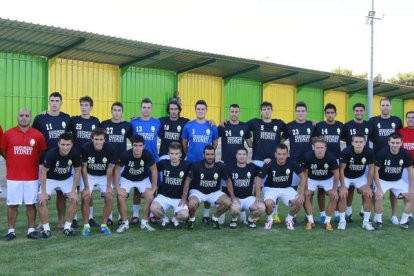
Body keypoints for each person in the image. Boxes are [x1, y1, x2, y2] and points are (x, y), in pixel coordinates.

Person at [0, 108, 47, 241]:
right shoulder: (8, 134)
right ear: (17, 117)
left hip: (31, 177)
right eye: (21, 115)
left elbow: (42, 152)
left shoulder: (37, 135)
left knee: (30, 204)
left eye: (27, 115)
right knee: (12, 204)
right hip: (13, 177)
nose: (24, 118)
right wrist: (11, 160)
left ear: (30, 118)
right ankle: (11, 231)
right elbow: (2, 150)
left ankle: (31, 230)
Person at [32, 92, 71, 229]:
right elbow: (34, 137)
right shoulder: (40, 118)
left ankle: (61, 221)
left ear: (61, 103)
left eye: (57, 101)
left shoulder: (67, 118)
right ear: (49, 102)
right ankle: (42, 223)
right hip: (44, 161)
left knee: (61, 194)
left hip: (63, 162)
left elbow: (71, 137)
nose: (54, 103)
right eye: (52, 100)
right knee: (42, 193)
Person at [247, 101, 286, 223]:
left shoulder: (278, 123)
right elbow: (241, 126)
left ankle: (275, 214)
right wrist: (249, 142)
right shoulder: (255, 122)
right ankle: (256, 212)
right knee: (256, 188)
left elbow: (289, 130)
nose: (266, 111)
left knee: (275, 188)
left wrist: (280, 142)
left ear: (272, 110)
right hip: (258, 160)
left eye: (269, 109)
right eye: (264, 109)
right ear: (261, 111)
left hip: (274, 162)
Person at [37, 132, 81, 238]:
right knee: (42, 201)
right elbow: (43, 172)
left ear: (72, 144)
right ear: (58, 144)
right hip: (50, 179)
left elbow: (77, 171)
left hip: (66, 179)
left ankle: (67, 227)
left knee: (74, 199)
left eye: (68, 145)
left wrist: (74, 190)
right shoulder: (51, 154)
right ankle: (46, 229)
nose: (65, 147)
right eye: (63, 144)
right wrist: (43, 192)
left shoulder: (75, 153)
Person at [181, 100, 219, 223]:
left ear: (206, 110)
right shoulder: (189, 125)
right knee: (191, 189)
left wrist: (209, 157)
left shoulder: (212, 126)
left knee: (207, 187)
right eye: (198, 109)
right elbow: (184, 143)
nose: (201, 111)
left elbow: (214, 144)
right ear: (195, 110)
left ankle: (206, 215)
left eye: (203, 109)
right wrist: (189, 154)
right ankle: (189, 213)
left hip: (207, 163)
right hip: (192, 162)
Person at [182, 145, 235, 230]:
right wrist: (184, 198)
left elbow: (228, 180)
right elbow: (187, 180)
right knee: (192, 204)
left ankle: (215, 218)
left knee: (228, 202)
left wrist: (232, 196)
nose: (210, 157)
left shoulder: (221, 166)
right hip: (198, 191)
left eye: (211, 154)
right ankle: (191, 219)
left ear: (214, 155)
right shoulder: (196, 165)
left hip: (214, 192)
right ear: (203, 155)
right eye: (207, 154)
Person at [67, 96, 100, 227]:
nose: (84, 107)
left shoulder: (96, 121)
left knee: (88, 189)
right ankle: (73, 218)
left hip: (89, 160)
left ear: (91, 107)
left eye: (86, 105)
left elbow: (99, 139)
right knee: (74, 189)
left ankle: (90, 217)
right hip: (75, 159)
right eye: (82, 105)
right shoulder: (74, 120)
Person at [369, 97, 403, 225]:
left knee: (394, 189)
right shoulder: (373, 121)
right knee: (376, 191)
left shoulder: (396, 121)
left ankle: (394, 216)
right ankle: (377, 215)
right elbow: (370, 137)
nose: (385, 107)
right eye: (383, 105)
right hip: (377, 159)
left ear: (390, 107)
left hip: (394, 159)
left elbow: (400, 137)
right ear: (380, 107)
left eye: (387, 105)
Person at [114, 135, 158, 232]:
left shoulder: (147, 154)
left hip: (143, 179)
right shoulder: (125, 155)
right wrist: (117, 188)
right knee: (121, 196)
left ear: (143, 146)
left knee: (150, 196)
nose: (138, 148)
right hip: (127, 179)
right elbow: (117, 170)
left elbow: (154, 171)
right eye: (135, 145)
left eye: (140, 145)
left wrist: (153, 188)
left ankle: (145, 222)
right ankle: (124, 223)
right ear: (132, 146)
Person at [257, 144, 306, 230]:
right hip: (270, 188)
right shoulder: (269, 163)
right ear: (275, 154)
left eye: (284, 154)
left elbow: (303, 176)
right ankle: (269, 219)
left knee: (299, 201)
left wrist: (301, 193)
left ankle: (289, 219)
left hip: (287, 188)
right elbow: (258, 178)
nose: (281, 156)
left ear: (287, 154)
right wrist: (258, 196)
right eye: (279, 154)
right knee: (269, 203)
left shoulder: (292, 162)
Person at [372, 132, 414, 230]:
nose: (395, 145)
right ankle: (378, 220)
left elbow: (410, 171)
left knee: (412, 196)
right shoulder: (382, 153)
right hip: (383, 180)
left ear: (401, 143)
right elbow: (375, 171)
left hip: (397, 180)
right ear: (389, 143)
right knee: (378, 196)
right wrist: (378, 188)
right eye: (393, 142)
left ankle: (404, 221)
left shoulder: (405, 153)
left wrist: (411, 188)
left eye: (397, 143)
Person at [218, 104, 252, 223]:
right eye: (232, 111)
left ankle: (242, 213)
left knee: (241, 188)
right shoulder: (223, 126)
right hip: (226, 163)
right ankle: (221, 214)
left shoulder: (244, 126)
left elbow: (250, 144)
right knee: (224, 189)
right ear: (229, 112)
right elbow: (213, 138)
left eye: (236, 111)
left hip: (240, 163)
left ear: (239, 113)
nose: (234, 114)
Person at [100, 102, 133, 225]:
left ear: (122, 112)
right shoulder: (104, 124)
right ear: (111, 111)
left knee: (121, 191)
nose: (117, 112)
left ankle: (120, 217)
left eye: (119, 110)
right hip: (108, 162)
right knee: (108, 191)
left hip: (121, 163)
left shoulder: (127, 126)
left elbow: (133, 141)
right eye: (114, 110)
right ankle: (108, 217)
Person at [340, 102, 374, 222]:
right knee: (349, 190)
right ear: (353, 112)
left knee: (366, 190)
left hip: (363, 161)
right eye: (357, 110)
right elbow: (343, 138)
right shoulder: (347, 125)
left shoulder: (369, 125)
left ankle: (363, 211)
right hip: (350, 160)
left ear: (363, 112)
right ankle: (348, 212)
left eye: (361, 110)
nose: (359, 112)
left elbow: (373, 137)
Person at [130, 98, 161, 224]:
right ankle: (136, 215)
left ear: (151, 109)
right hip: (138, 161)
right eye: (144, 107)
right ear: (140, 108)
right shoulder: (134, 123)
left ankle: (154, 214)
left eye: (148, 107)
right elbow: (131, 139)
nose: (146, 110)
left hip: (153, 160)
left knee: (155, 187)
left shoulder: (157, 122)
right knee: (138, 189)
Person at [80, 127, 115, 236]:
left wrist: (109, 186)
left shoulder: (110, 148)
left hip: (104, 175)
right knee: (86, 197)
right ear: (92, 139)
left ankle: (104, 224)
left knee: (109, 196)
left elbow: (110, 168)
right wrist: (86, 187)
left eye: (101, 139)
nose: (98, 142)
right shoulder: (85, 148)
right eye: (96, 139)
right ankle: (86, 226)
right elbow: (84, 168)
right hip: (89, 174)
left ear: (104, 140)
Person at [150, 142, 192, 229]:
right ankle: (165, 219)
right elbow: (153, 170)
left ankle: (174, 219)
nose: (174, 156)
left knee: (184, 215)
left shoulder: (187, 165)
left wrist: (185, 198)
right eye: (172, 153)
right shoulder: (163, 163)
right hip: (164, 196)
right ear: (168, 154)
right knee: (153, 208)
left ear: (180, 154)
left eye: (176, 153)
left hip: (179, 198)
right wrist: (154, 188)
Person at [313, 103, 343, 224]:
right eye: (328, 113)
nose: (330, 115)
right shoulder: (319, 126)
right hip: (321, 159)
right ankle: (322, 214)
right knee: (321, 189)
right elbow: (313, 139)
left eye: (332, 113)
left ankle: (336, 213)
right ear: (325, 114)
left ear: (335, 114)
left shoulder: (341, 125)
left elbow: (347, 138)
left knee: (336, 188)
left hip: (335, 160)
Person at [338, 133, 376, 231]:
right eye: (356, 142)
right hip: (346, 177)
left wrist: (368, 186)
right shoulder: (346, 151)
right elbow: (341, 170)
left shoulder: (369, 152)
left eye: (361, 142)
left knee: (368, 194)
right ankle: (342, 221)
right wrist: (342, 186)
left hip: (360, 177)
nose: (358, 144)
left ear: (365, 143)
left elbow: (371, 169)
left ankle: (366, 222)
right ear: (352, 143)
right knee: (342, 194)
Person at [303, 137, 339, 231]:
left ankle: (327, 222)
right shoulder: (308, 156)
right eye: (317, 147)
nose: (320, 150)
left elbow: (336, 174)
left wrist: (335, 190)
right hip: (312, 179)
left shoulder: (331, 157)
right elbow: (305, 173)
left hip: (327, 179)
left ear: (325, 148)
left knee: (334, 196)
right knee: (306, 195)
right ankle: (310, 221)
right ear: (313, 147)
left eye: (322, 148)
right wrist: (306, 189)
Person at [227, 147, 264, 228]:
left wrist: (267, 162)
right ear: (236, 156)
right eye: (239, 154)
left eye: (244, 154)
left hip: (248, 198)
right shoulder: (230, 168)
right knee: (235, 209)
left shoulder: (252, 167)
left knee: (261, 207)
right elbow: (227, 182)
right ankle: (234, 220)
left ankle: (250, 220)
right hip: (236, 198)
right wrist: (232, 197)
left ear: (247, 156)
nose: (241, 156)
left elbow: (264, 171)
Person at [281, 101, 314, 187]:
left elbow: (315, 141)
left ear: (306, 112)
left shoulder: (311, 125)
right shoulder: (289, 126)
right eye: (298, 111)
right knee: (293, 187)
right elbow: (281, 141)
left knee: (308, 189)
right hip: (294, 161)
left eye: (303, 111)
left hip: (309, 161)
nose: (300, 113)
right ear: (295, 112)